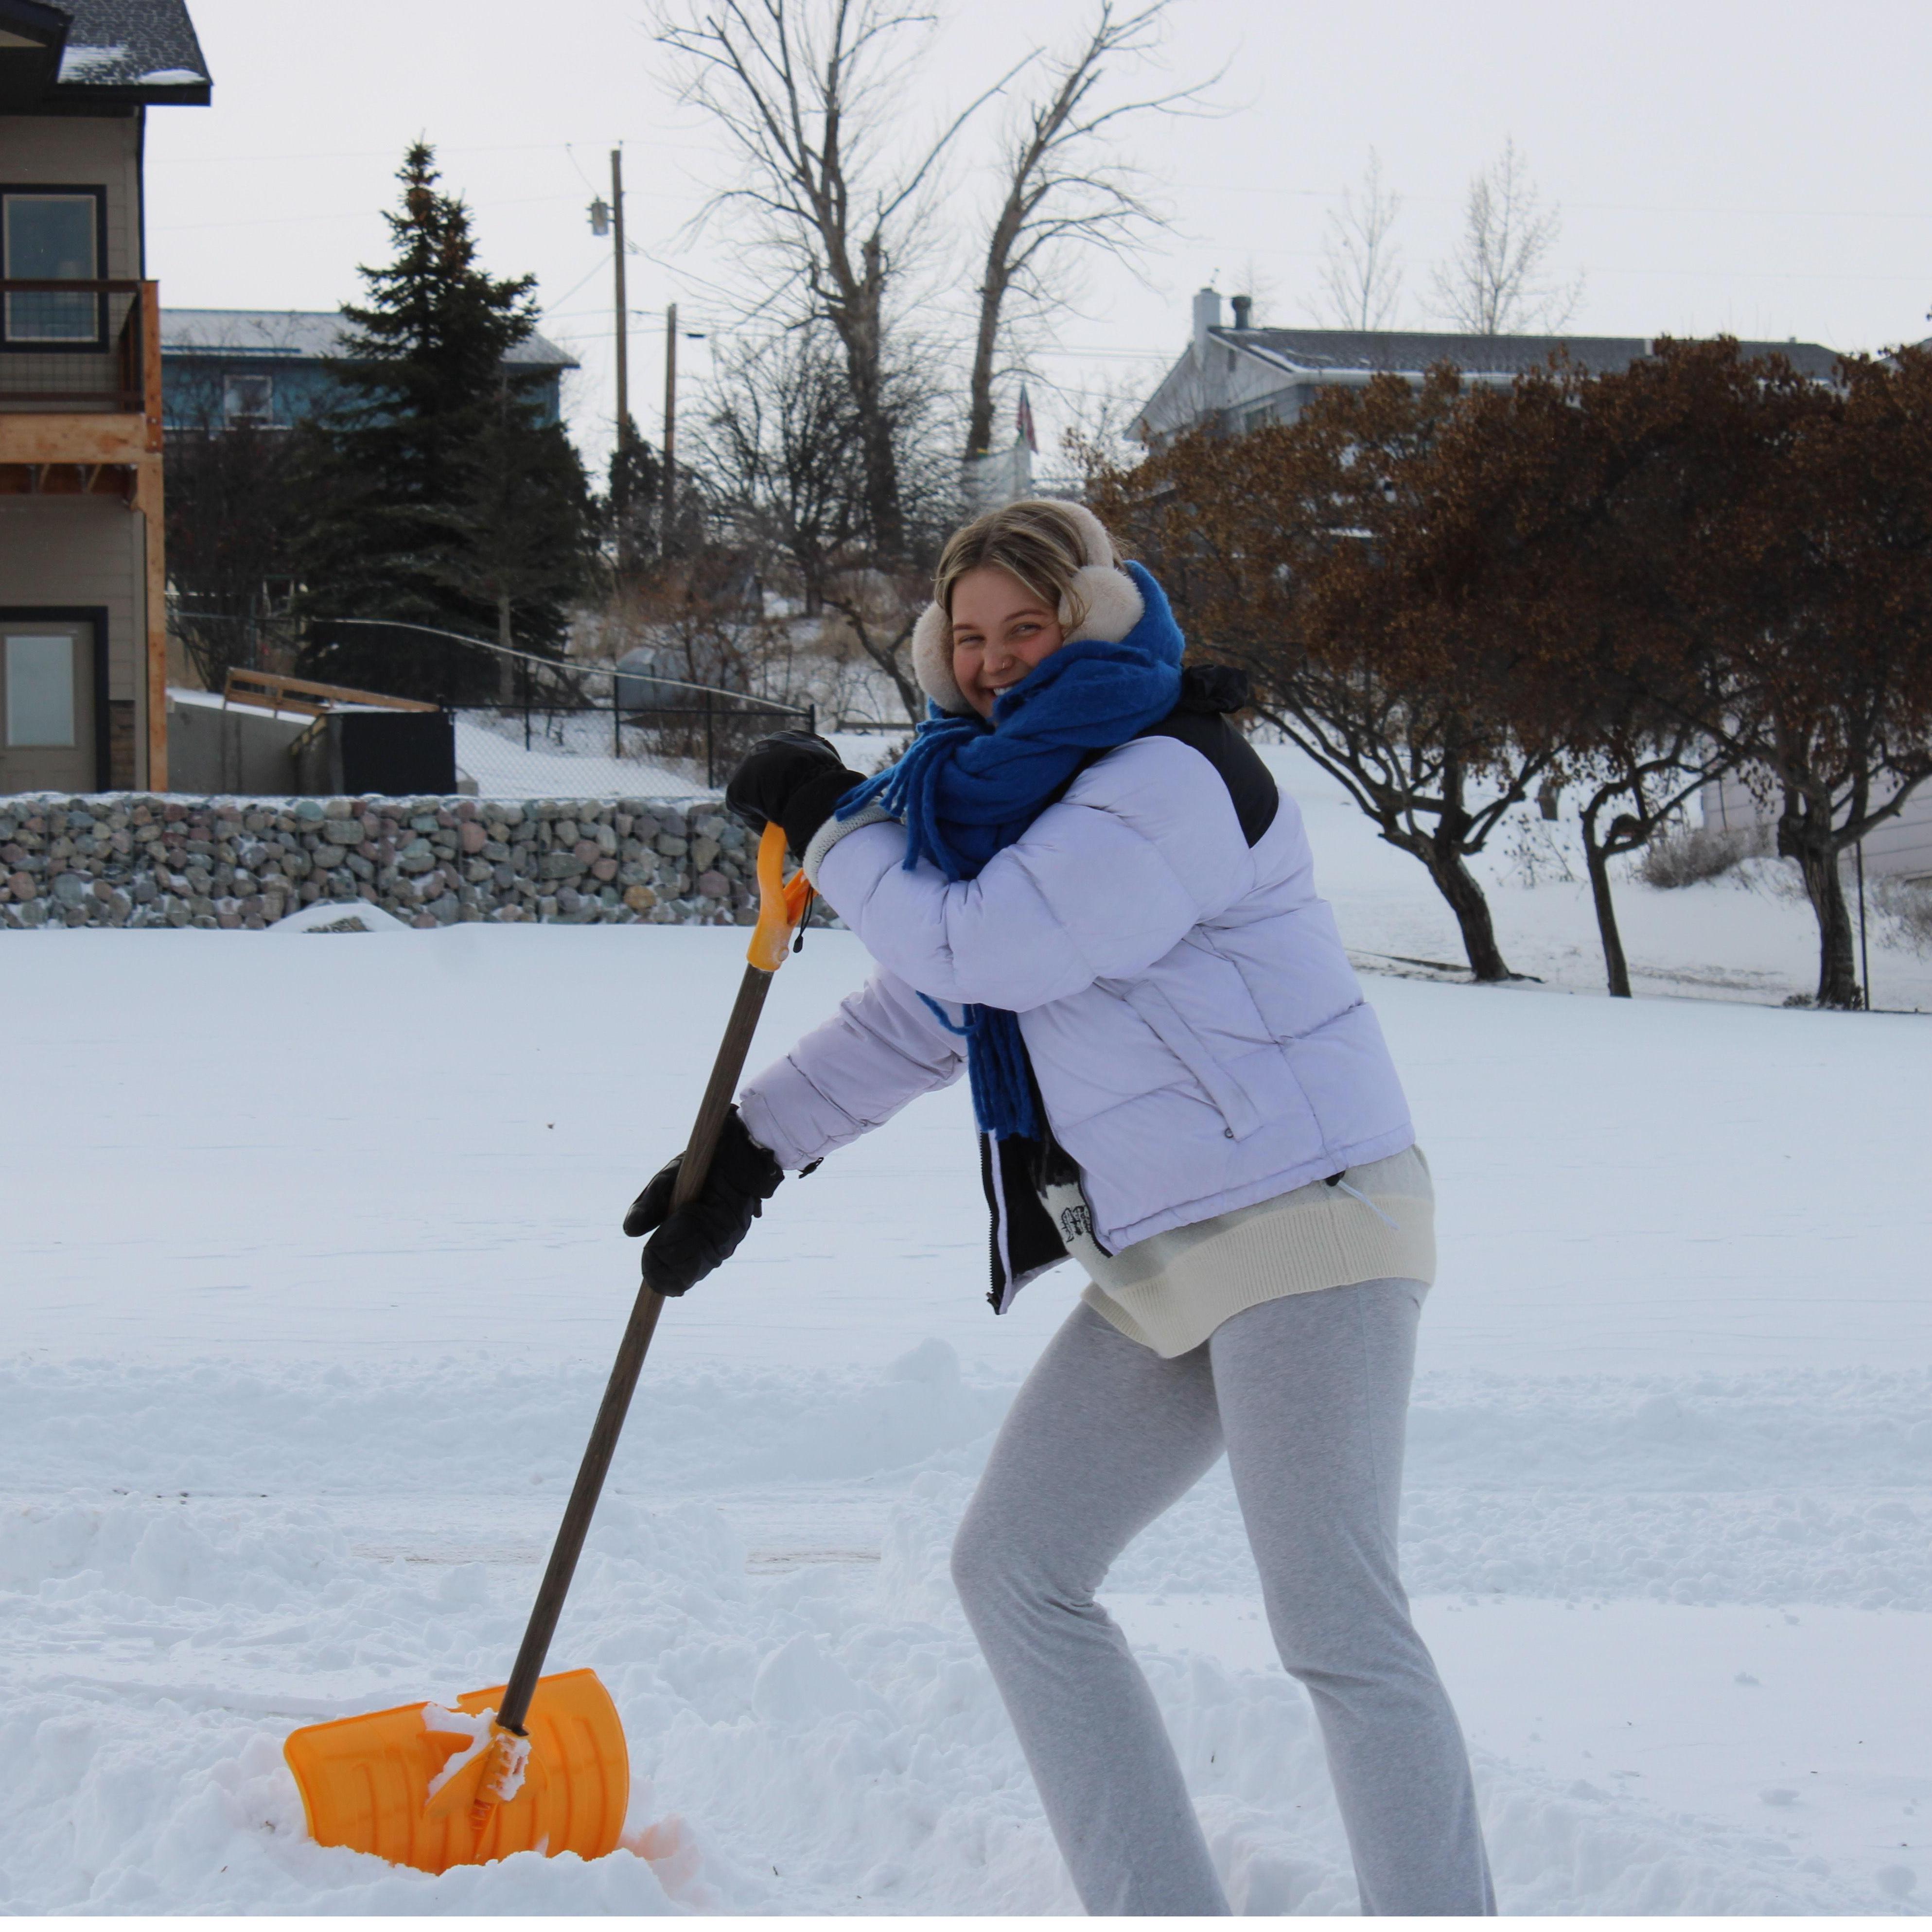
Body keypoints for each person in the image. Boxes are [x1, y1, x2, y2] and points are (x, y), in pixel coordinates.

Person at [624, 499, 1495, 1916]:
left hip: (1309, 1219)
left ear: (1088, 618)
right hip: (1161, 1251)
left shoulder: (1173, 773)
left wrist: (839, 832)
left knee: (1336, 1621)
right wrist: (749, 1151)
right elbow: (932, 1003)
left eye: (1024, 628)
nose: (992, 662)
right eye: (966, 638)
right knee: (1017, 1568)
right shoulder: (992, 803)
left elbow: (997, 949)